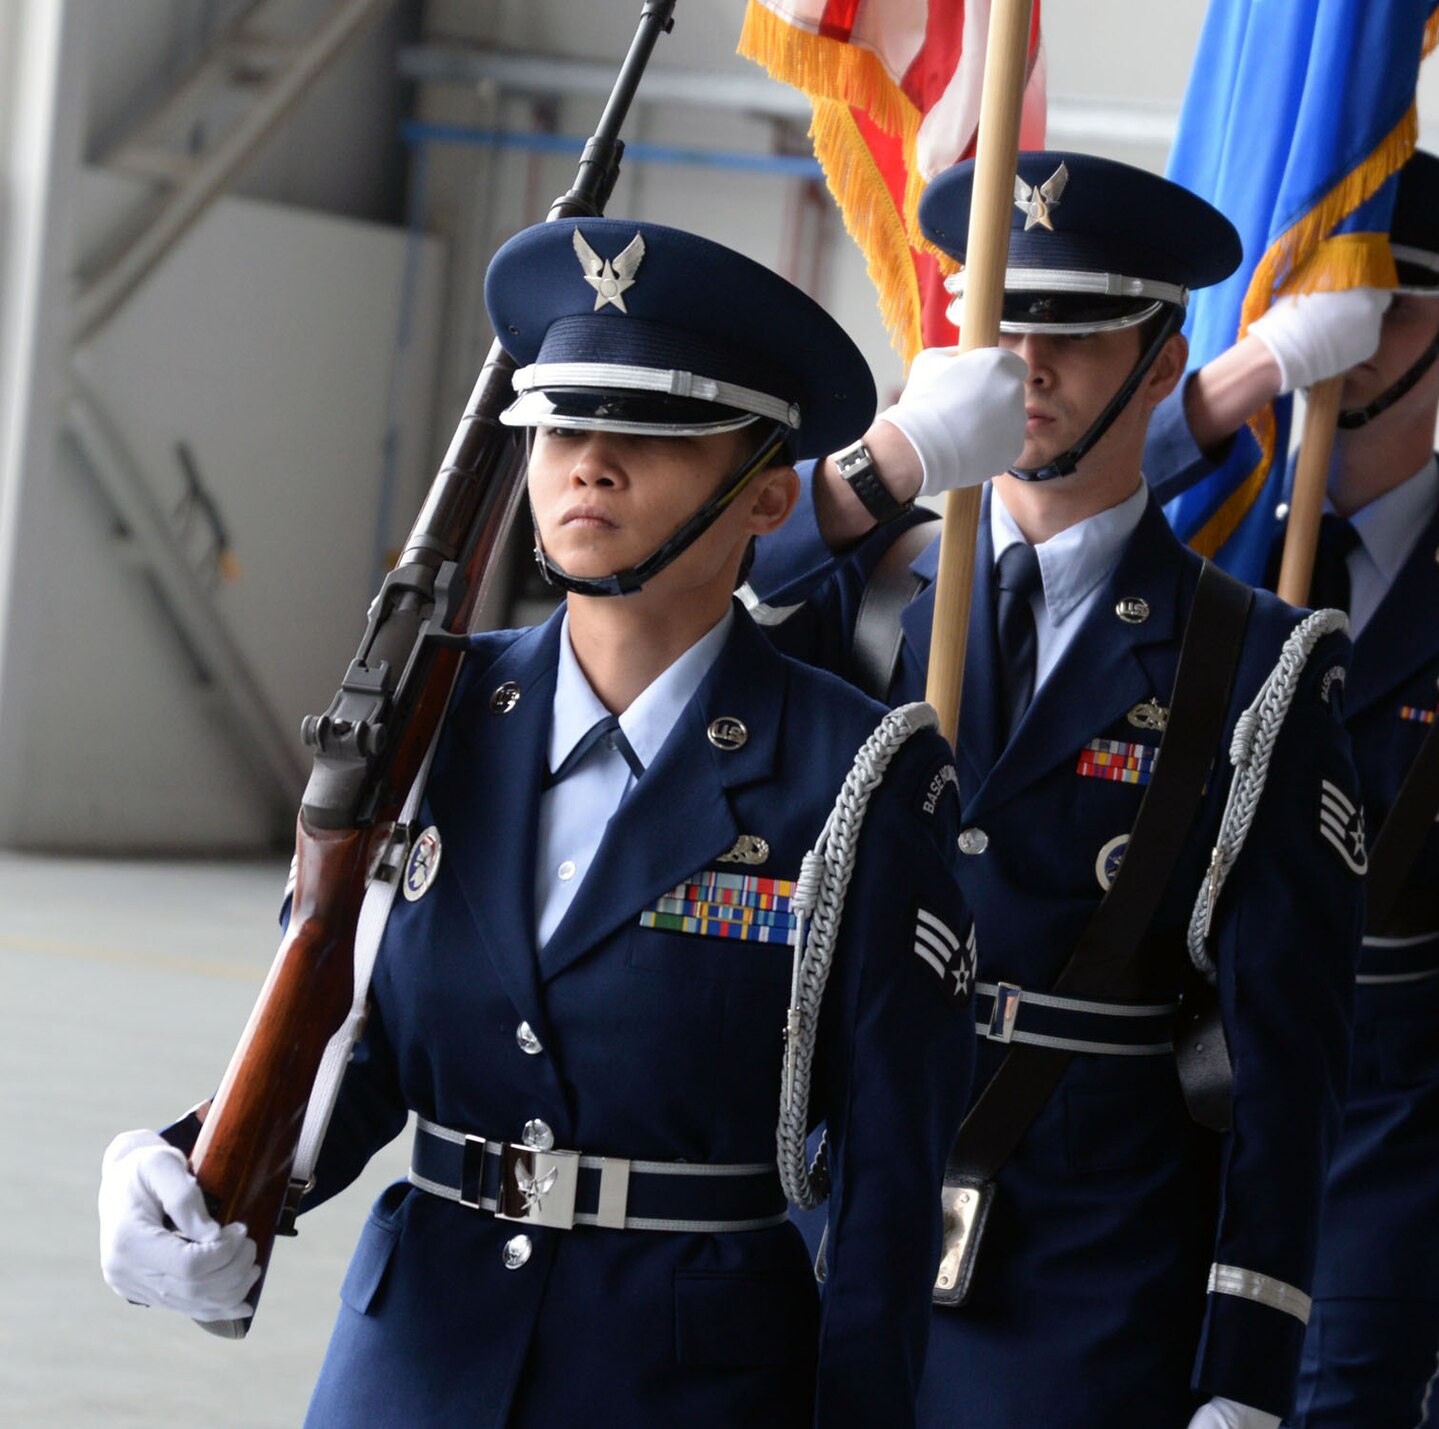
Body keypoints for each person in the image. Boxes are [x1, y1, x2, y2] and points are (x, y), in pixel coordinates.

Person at [96, 218, 977, 1428]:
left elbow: (884, 1192)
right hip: (413, 1363)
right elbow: (352, 1048)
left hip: (690, 1379)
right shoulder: (431, 719)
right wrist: (175, 1164)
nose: (590, 465)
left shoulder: (857, 772)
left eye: (654, 434)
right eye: (561, 426)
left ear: (766, 494)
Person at [754, 151, 1365, 1429]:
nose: (1026, 363)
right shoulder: (873, 594)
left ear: (1159, 359)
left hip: (1085, 1264)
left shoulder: (1251, 658)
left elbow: (1286, 1048)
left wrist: (1247, 1366)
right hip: (830, 1218)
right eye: (1000, 324)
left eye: (1074, 335)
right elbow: (703, 580)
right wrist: (887, 463)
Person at [1143, 152, 1439, 1427]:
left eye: (1392, 304)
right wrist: (1240, 379)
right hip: (1161, 1095)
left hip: (1382, 1114)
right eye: (1330, 297)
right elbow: (1041, 500)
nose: (1353, 334)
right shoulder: (1202, 539)